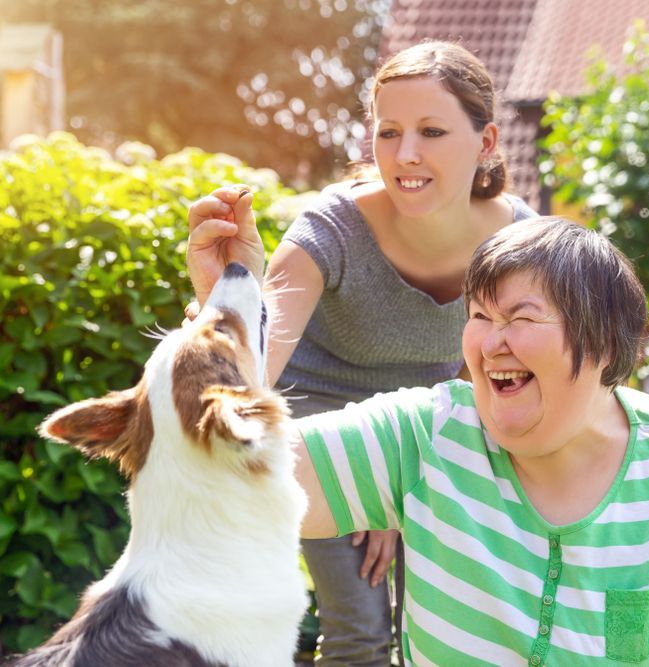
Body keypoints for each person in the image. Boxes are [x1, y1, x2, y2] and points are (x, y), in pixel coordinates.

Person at [186, 41, 537, 666]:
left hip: (435, 423)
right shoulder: (331, 228)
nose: (405, 155)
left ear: (485, 143)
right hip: (315, 419)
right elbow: (257, 363)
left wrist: (408, 478)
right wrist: (220, 297)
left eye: (432, 131)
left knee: (456, 630)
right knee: (363, 629)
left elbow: (493, 370)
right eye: (389, 131)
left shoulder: (517, 241)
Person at [294, 216, 649, 666]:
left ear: (605, 344)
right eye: (480, 316)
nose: (489, 344)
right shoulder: (428, 434)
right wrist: (224, 303)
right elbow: (245, 475)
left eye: (522, 318)